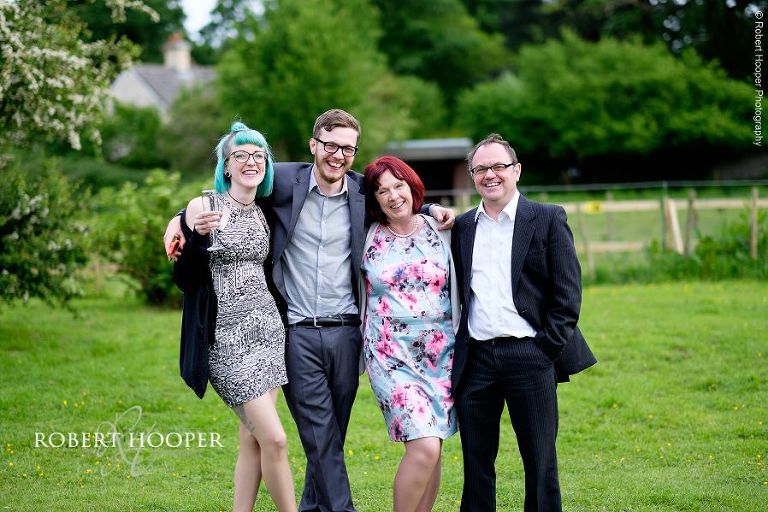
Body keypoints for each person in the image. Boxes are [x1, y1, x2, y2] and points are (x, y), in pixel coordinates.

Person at [165, 109, 454, 512]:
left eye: (348, 149)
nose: (338, 155)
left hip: (348, 334)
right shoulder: (283, 180)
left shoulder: (362, 191)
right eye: (331, 145)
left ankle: (313, 506)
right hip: (296, 331)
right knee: (320, 437)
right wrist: (180, 219)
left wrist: (431, 210)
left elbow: (399, 202)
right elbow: (232, 189)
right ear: (314, 145)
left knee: (331, 437)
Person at [450, 134, 597, 512]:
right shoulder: (463, 227)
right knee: (476, 464)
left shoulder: (548, 218)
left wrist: (545, 347)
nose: (490, 175)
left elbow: (568, 295)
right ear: (472, 176)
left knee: (540, 461)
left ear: (516, 170)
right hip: (476, 359)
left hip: (530, 355)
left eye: (498, 166)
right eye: (480, 169)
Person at [173, 122, 297, 512]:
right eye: (240, 155)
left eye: (258, 155)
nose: (250, 161)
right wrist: (194, 237)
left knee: (252, 439)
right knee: (275, 439)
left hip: (268, 334)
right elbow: (184, 278)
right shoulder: (205, 207)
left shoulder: (264, 210)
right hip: (224, 341)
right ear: (226, 166)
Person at [360, 156, 459, 512]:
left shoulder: (441, 228)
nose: (393, 196)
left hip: (441, 356)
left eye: (398, 185)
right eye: (382, 191)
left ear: (411, 185)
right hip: (390, 355)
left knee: (434, 444)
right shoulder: (366, 233)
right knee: (424, 446)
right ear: (374, 199)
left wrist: (432, 208)